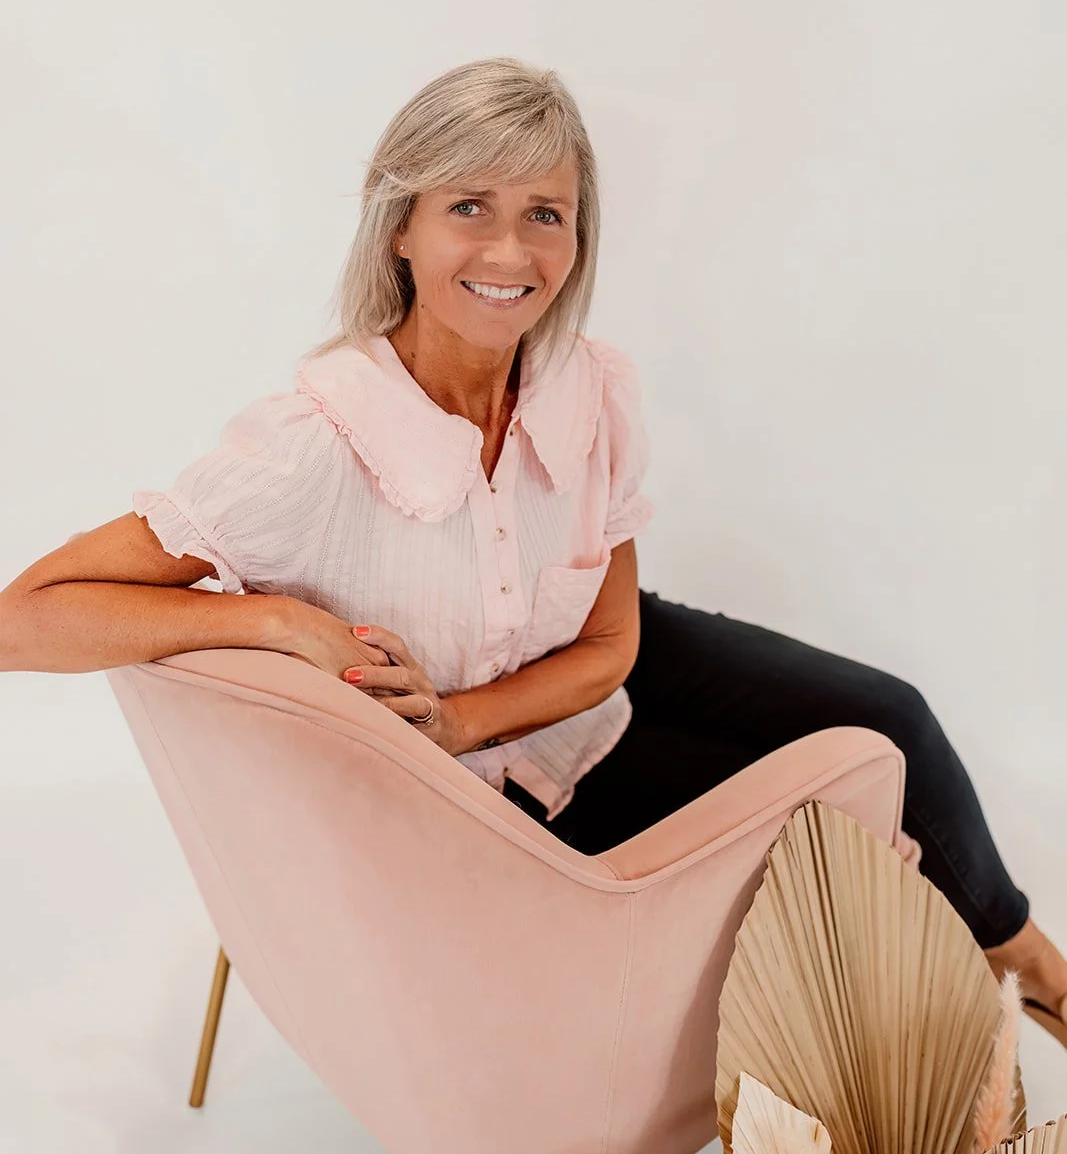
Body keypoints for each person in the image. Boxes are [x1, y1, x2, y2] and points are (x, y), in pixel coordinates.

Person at [2, 56, 1064, 1046]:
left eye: (543, 215)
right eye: (469, 206)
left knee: (889, 716)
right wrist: (273, 619)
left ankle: (1030, 971)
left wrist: (461, 710)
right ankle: (942, 1023)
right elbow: (22, 616)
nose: (510, 253)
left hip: (570, 668)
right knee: (833, 818)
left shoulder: (588, 384)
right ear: (399, 225)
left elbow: (610, 640)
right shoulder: (312, 441)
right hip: (498, 787)